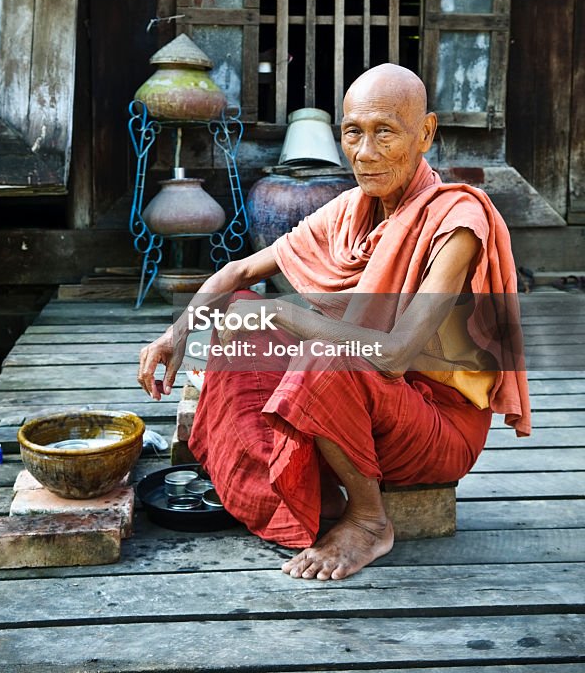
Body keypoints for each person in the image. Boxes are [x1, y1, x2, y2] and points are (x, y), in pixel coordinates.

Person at [137, 63, 530, 581]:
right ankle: (299, 487)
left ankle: (369, 520)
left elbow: (393, 354)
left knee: (323, 354)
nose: (365, 153)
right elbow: (238, 270)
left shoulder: (457, 222)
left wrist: (281, 311)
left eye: (384, 131)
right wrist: (177, 332)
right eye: (353, 132)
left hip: (435, 428)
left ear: (426, 133)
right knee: (240, 315)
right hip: (367, 410)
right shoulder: (349, 209)